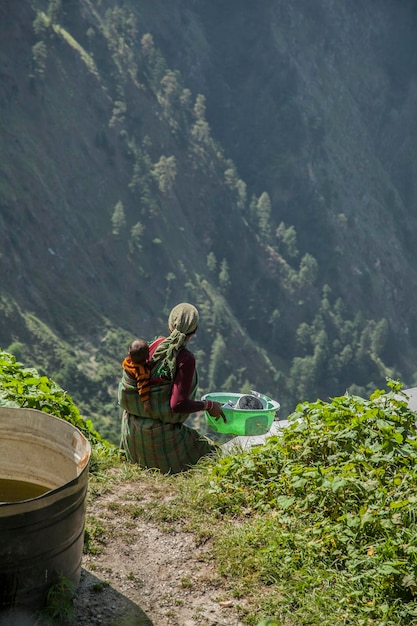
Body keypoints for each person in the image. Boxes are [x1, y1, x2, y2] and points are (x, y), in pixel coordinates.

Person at [119, 302, 225, 474]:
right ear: (195, 330)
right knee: (213, 456)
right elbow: (178, 404)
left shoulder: (151, 347)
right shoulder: (185, 359)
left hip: (132, 432)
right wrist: (209, 406)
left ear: (170, 326)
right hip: (159, 439)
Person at [122, 338, 152, 417]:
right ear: (148, 355)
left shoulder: (127, 361)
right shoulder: (142, 372)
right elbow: (143, 387)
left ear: (129, 355)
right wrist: (146, 402)